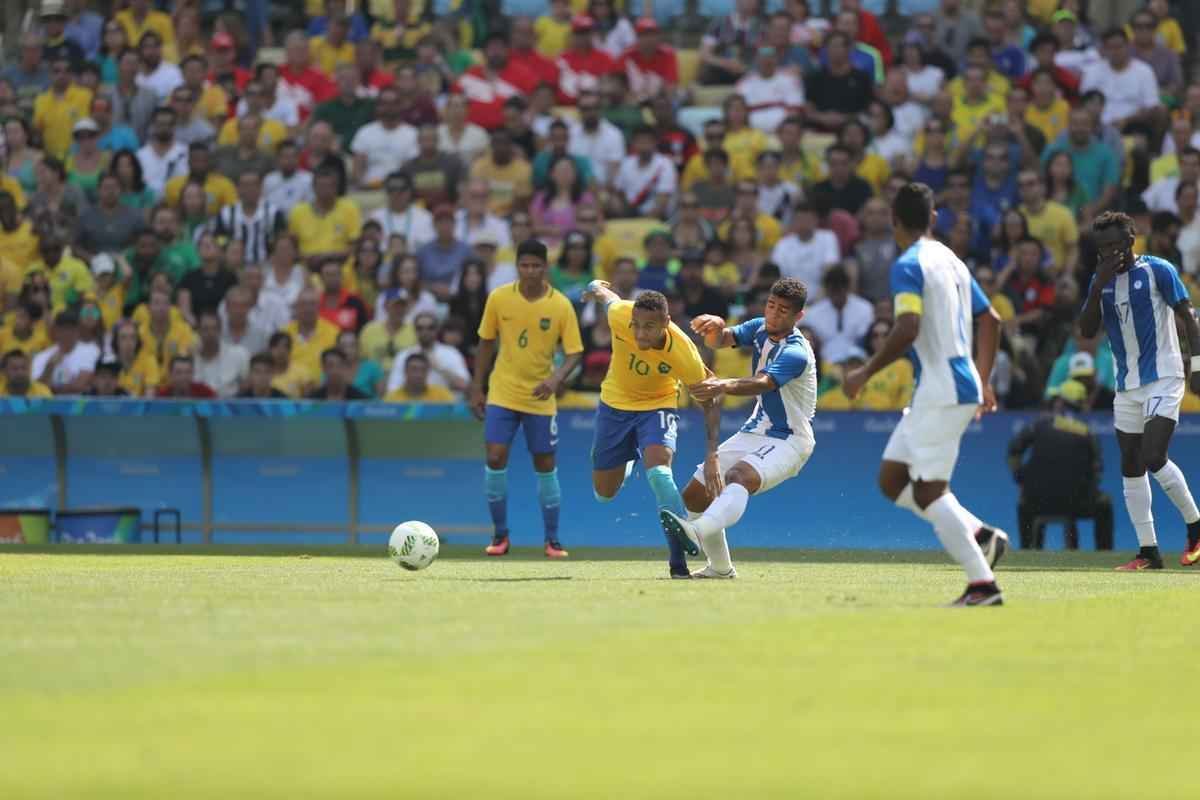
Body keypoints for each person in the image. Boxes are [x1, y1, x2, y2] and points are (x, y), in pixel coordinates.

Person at [842, 182, 1008, 607]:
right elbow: (991, 320)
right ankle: (979, 533)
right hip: (949, 385)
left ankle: (982, 584)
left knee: (930, 490)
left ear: (895, 222)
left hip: (942, 387)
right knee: (893, 479)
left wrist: (865, 371)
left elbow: (907, 327)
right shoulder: (953, 261)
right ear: (934, 218)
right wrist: (984, 378)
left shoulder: (908, 264)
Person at [663, 278, 816, 579]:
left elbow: (764, 383)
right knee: (695, 495)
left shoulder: (796, 352)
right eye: (771, 305)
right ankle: (719, 568)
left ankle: (695, 532)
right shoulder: (760, 327)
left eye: (784, 311)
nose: (774, 314)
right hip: (755, 430)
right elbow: (721, 340)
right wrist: (716, 327)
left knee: (738, 476)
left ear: (798, 317)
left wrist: (722, 384)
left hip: (791, 438)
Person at [1078, 211, 1200, 570]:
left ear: (1131, 242)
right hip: (1126, 384)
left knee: (1152, 454)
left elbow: (1188, 318)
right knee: (1131, 464)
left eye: (1115, 245)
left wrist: (1197, 366)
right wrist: (1097, 286)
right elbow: (1086, 332)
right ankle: (1148, 551)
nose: (1109, 253)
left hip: (1163, 375)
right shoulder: (1099, 281)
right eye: (1103, 248)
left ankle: (1195, 527)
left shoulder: (1158, 270)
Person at [580, 282, 721, 578]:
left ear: (666, 323)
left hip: (658, 407)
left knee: (658, 472)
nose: (641, 334)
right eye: (637, 326)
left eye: (650, 327)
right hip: (614, 406)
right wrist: (594, 287)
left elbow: (710, 400)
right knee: (603, 494)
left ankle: (678, 560)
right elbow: (609, 297)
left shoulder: (684, 354)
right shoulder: (620, 314)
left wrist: (712, 453)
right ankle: (630, 457)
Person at [467, 239, 584, 558]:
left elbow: (574, 352)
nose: (530, 271)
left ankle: (552, 539)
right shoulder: (499, 298)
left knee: (545, 463)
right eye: (524, 265)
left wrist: (555, 378)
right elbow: (486, 343)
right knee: (494, 457)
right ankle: (500, 535)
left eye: (536, 266)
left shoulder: (559, 305)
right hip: (503, 391)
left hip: (539, 397)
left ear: (545, 268)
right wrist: (477, 387)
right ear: (517, 267)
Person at [1008, 380, 1113, 550]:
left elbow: (1014, 451)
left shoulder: (1038, 425)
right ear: (1081, 405)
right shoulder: (1088, 432)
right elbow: (1097, 469)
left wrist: (1021, 479)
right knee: (1105, 503)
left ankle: (1026, 550)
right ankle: (1105, 553)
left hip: (1036, 500)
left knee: (1023, 502)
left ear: (1059, 402)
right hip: (1078, 502)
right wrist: (1086, 489)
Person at [192, 309, 248, 399]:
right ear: (198, 331)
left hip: (231, 408)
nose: (210, 333)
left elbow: (247, 385)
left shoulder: (239, 354)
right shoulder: (190, 357)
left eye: (214, 329)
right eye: (205, 329)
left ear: (220, 330)